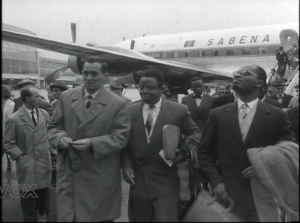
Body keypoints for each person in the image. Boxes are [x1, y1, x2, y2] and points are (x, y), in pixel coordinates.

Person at [198, 64, 295, 221]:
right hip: (227, 195)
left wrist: (263, 166)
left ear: (260, 83)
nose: (237, 75)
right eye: (237, 73)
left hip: (264, 195)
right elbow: (204, 152)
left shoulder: (277, 115)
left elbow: (287, 151)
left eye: (245, 73)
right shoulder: (218, 114)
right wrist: (216, 182)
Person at [48, 56, 131, 222]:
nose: (88, 78)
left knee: (97, 218)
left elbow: (121, 137)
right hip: (71, 173)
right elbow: (53, 127)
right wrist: (60, 138)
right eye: (85, 73)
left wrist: (92, 143)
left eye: (94, 74)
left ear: (104, 76)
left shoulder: (118, 103)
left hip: (100, 176)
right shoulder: (66, 97)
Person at [121, 69, 200, 222]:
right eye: (141, 87)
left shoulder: (178, 110)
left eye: (150, 87)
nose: (144, 91)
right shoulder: (129, 111)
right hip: (139, 181)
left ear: (161, 88)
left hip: (166, 179)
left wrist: (182, 151)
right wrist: (126, 165)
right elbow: (124, 144)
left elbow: (195, 134)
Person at [3, 87, 51, 222]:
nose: (40, 99)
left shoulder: (43, 114)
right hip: (27, 166)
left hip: (43, 164)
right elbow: (8, 143)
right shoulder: (14, 119)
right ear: (28, 99)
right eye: (37, 96)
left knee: (45, 198)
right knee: (27, 199)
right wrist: (21, 157)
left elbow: (48, 136)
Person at [2, 85, 15, 172]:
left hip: (6, 128)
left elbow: (9, 117)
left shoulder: (11, 104)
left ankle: (9, 163)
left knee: (7, 147)